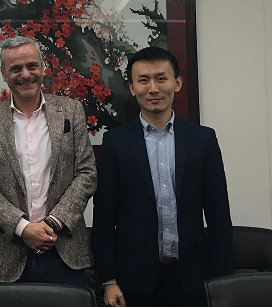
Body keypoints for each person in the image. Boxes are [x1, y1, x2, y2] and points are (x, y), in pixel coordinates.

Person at [91, 46, 233, 307]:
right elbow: (103, 218)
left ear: (177, 83)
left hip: (194, 279)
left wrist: (221, 282)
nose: (153, 88)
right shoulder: (115, 143)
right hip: (133, 281)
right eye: (143, 80)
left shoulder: (203, 140)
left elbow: (219, 215)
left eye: (161, 78)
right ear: (132, 87)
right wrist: (108, 280)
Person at [0, 36, 97, 285]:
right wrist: (23, 228)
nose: (26, 74)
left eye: (32, 66)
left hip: (66, 250)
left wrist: (53, 223)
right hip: (7, 255)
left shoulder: (71, 111)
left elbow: (87, 173)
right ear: (3, 74)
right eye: (16, 69)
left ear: (43, 68)